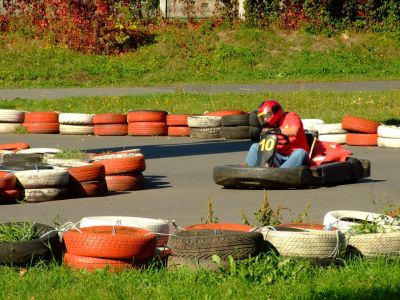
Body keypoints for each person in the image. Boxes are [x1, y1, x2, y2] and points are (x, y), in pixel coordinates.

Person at [242, 100, 310, 168]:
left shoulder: (291, 116)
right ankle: (246, 171)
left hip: (294, 156)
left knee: (300, 152)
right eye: (263, 117)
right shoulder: (270, 127)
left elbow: (294, 131)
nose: (265, 119)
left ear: (275, 111)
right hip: (278, 156)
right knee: (255, 147)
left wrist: (277, 130)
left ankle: (280, 173)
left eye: (267, 115)